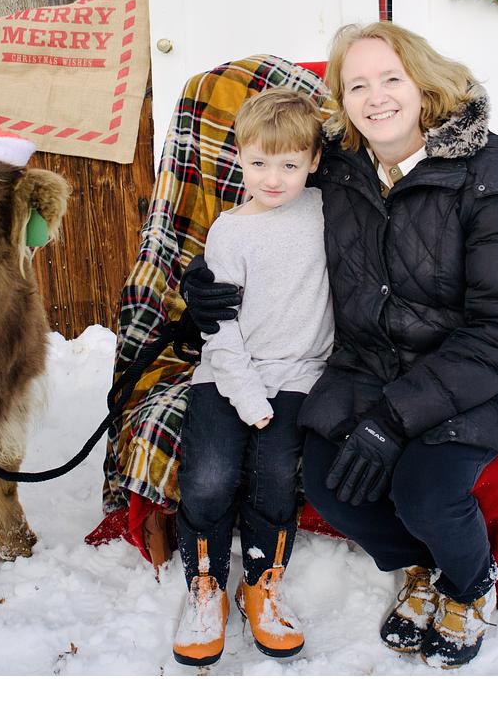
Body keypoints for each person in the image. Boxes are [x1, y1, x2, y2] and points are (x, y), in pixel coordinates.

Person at [182, 22, 498, 669]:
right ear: (341, 101)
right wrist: (203, 279)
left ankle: (470, 584)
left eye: (391, 79)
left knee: (425, 491)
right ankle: (422, 567)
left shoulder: (490, 177)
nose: (376, 97)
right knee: (331, 485)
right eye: (357, 85)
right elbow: (270, 214)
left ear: (423, 83)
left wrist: (392, 421)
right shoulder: (340, 170)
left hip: (471, 373)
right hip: (372, 366)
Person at [172, 87, 334, 667]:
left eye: (290, 165)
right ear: (239, 155)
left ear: (314, 161)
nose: (273, 179)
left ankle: (262, 583)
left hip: (298, 373)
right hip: (228, 372)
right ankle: (207, 584)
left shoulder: (325, 210)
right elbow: (219, 327)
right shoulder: (230, 232)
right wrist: (243, 395)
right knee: (209, 477)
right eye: (260, 163)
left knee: (274, 477)